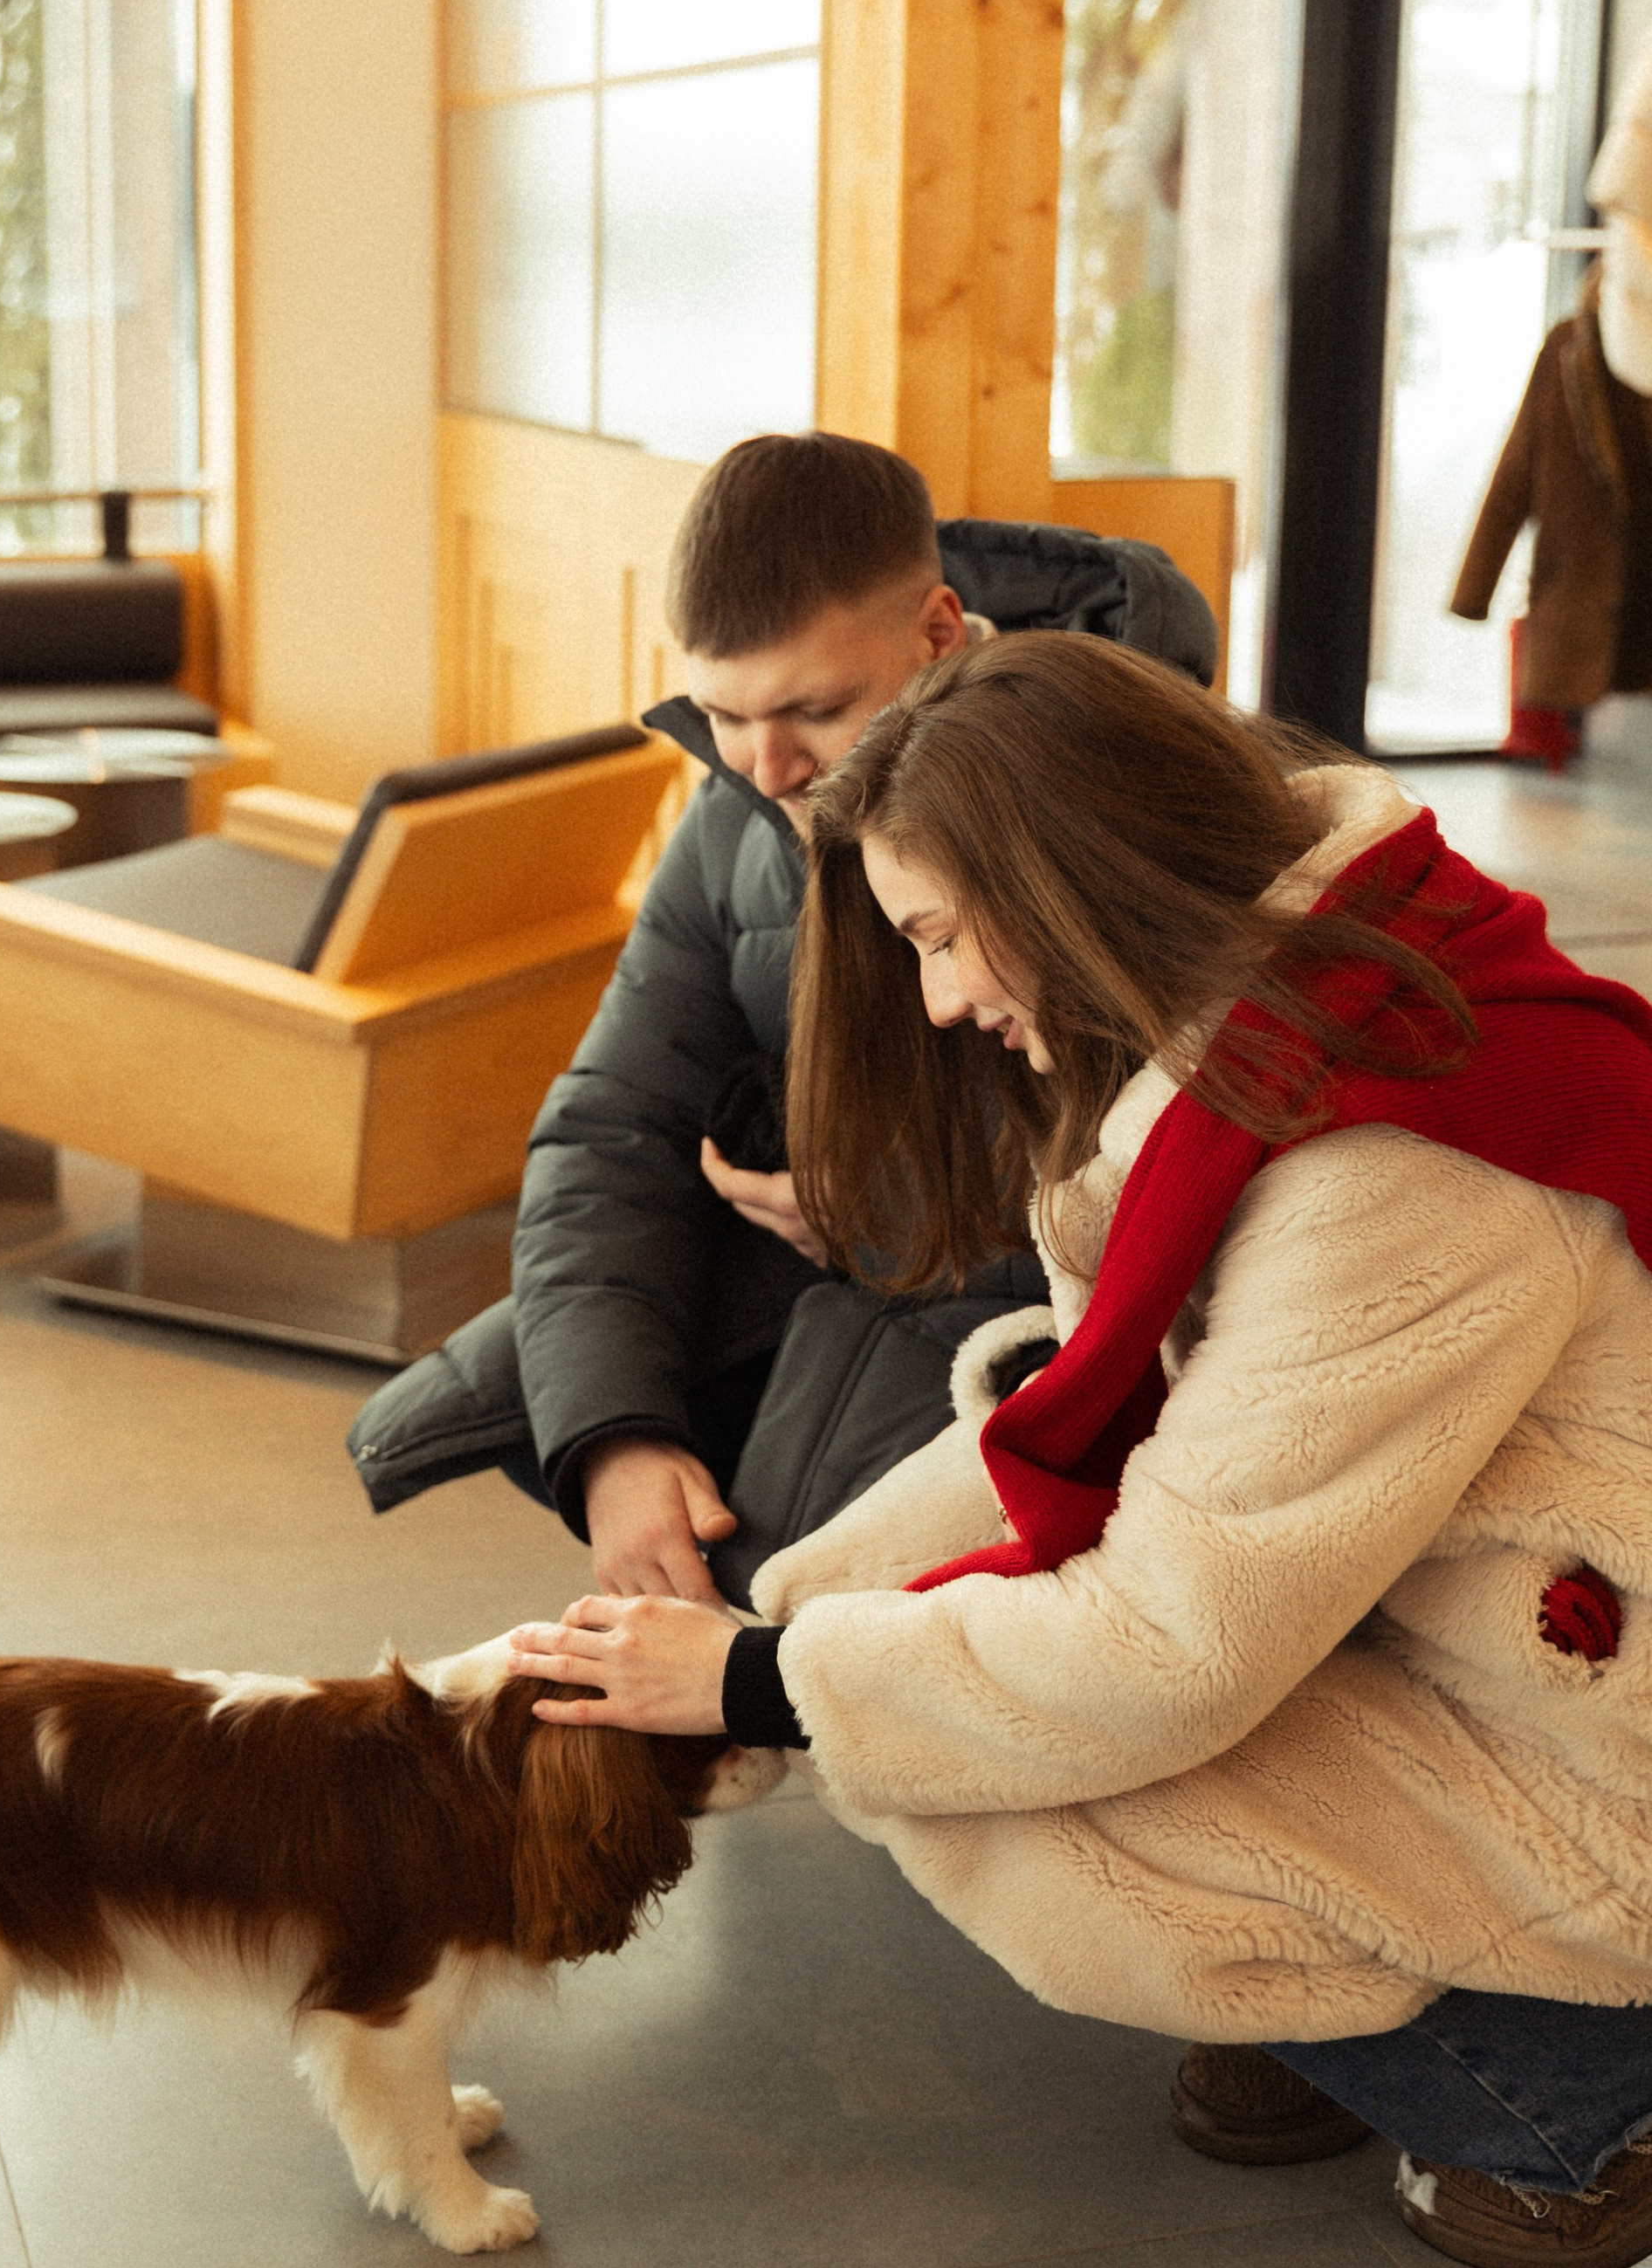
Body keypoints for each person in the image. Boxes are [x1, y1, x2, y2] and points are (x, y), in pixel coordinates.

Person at [507, 629, 1652, 2268]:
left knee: (993, 1793)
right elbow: (1111, 1437)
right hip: (1448, 1636)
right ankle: (1403, 1998)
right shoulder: (1284, 1009)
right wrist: (780, 1628)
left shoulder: (1388, 1163)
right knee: (872, 1643)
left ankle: (1563, 2093)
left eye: (945, 937)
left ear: (1071, 876)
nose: (945, 997)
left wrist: (765, 1685)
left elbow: (1171, 1647)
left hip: (1599, 1758)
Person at [348, 434, 1216, 1609]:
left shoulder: (1139, 795)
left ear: (941, 634)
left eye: (815, 709)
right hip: (824, 1297)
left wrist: (875, 1217)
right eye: (721, 714)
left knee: (795, 1621)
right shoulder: (737, 812)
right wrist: (616, 1441)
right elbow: (611, 1131)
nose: (762, 769)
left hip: (1025, 1345)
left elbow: (1198, 1200)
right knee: (579, 1412)